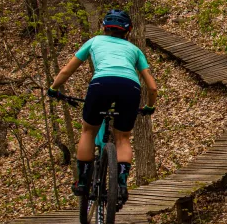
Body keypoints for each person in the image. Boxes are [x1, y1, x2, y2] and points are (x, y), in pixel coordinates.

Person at [49, 10, 158, 204]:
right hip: (130, 87)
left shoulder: (94, 41)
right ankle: (122, 185)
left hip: (101, 84)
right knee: (123, 137)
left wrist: (53, 89)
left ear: (104, 27)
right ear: (128, 31)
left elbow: (67, 70)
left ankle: (82, 182)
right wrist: (149, 106)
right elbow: (152, 86)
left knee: (88, 132)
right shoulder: (135, 50)